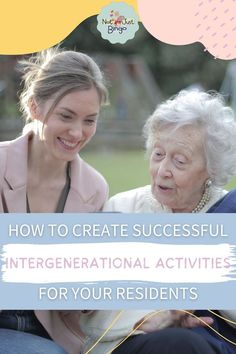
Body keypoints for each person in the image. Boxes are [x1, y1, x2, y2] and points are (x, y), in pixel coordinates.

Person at [79, 90, 236, 354]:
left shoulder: (227, 212)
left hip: (215, 341)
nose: (163, 171)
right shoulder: (122, 209)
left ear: (211, 169)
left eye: (180, 161)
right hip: (130, 342)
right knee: (180, 344)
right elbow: (89, 301)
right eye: (158, 154)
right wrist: (148, 318)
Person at [0, 47, 109, 354]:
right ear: (35, 106)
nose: (77, 132)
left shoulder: (94, 189)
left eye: (90, 120)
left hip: (50, 334)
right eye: (66, 116)